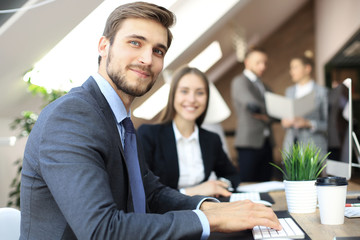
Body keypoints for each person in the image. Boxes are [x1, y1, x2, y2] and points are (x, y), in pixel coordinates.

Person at [20, 2, 281, 239]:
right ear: (104, 46)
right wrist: (209, 219)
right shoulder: (72, 117)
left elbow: (151, 193)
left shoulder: (118, 120)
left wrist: (210, 206)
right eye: (135, 42)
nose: (147, 59)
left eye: (158, 50)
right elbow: (102, 230)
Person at [138, 66, 240, 198]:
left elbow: (232, 175)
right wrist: (194, 192)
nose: (192, 99)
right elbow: (145, 190)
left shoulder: (211, 139)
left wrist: (219, 185)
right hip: (165, 215)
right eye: (184, 91)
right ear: (173, 95)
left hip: (205, 210)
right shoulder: (148, 135)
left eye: (200, 93)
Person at [231, 47, 275, 182]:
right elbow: (253, 106)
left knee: (266, 181)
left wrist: (267, 115)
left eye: (265, 63)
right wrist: (269, 114)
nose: (263, 66)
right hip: (248, 143)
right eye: (258, 62)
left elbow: (276, 113)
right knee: (248, 183)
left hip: (267, 142)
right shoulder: (240, 81)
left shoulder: (265, 86)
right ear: (247, 62)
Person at [281, 56, 328, 156]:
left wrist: (308, 123)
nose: (291, 71)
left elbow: (328, 125)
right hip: (291, 149)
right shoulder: (289, 91)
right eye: (291, 68)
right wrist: (285, 122)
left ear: (307, 68)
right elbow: (285, 119)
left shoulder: (321, 92)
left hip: (313, 149)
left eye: (295, 67)